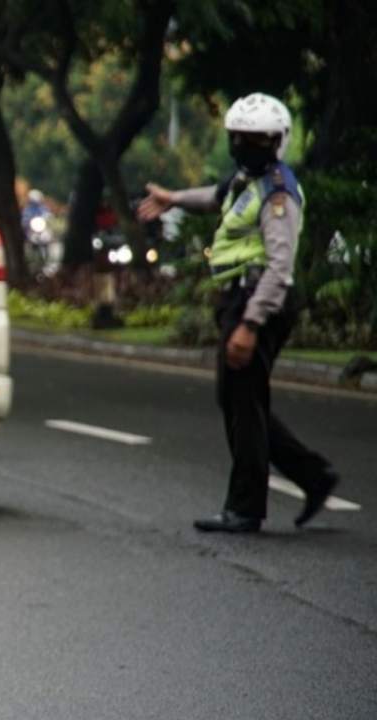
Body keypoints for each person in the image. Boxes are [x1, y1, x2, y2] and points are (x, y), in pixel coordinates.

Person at [137, 92, 339, 534]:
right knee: (241, 400)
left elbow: (280, 268)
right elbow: (214, 195)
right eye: (240, 138)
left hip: (258, 302)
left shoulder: (278, 194)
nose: (247, 147)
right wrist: (173, 197)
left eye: (257, 140)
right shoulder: (246, 182)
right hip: (239, 300)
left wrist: (250, 323)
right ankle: (312, 475)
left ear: (277, 141)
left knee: (242, 403)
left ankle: (246, 508)